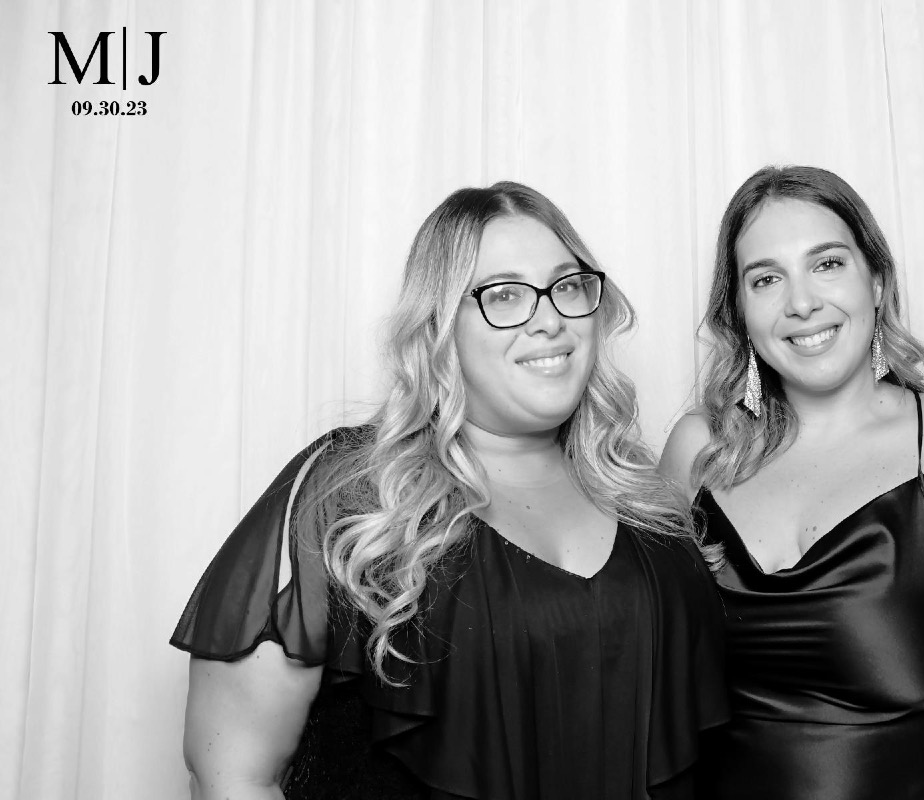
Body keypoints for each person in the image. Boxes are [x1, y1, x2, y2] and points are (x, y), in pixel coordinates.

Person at [172, 181, 728, 800]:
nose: (549, 320)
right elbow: (232, 774)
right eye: (505, 295)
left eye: (568, 286)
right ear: (439, 324)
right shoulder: (350, 496)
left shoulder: (648, 506)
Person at [661, 166, 924, 800]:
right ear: (739, 311)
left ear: (876, 280)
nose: (801, 303)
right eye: (766, 279)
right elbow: (641, 674)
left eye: (827, 264)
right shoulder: (699, 450)